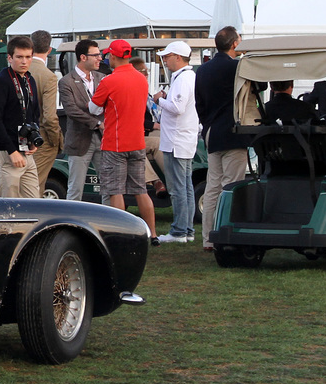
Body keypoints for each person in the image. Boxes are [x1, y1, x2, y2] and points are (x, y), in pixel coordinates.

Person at [194, 26, 252, 250]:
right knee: (231, 185)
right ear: (235, 44)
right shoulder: (237, 67)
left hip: (211, 132)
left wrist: (208, 124)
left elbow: (199, 104)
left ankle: (208, 238)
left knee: (213, 187)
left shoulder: (203, 70)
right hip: (233, 132)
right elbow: (259, 86)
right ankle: (227, 233)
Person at [91, 39, 158, 232]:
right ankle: (152, 233)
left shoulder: (109, 80)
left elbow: (93, 108)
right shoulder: (141, 79)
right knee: (141, 191)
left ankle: (119, 232)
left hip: (115, 143)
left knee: (115, 191)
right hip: (137, 142)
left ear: (112, 56)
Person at [152, 41, 198, 244]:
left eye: (167, 56)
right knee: (185, 187)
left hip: (176, 140)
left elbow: (177, 107)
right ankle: (186, 229)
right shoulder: (188, 76)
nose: (165, 60)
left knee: (178, 188)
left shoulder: (183, 79)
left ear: (178, 57)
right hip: (182, 139)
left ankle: (179, 231)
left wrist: (158, 100)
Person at [0, 36, 41, 197]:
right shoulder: (2, 81)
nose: (24, 61)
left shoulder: (29, 79)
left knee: (34, 202)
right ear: (10, 58)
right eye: (19, 57)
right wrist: (12, 151)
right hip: (5, 151)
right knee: (8, 205)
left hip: (25, 148)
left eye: (28, 57)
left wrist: (34, 139)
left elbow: (34, 113)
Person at [60, 40, 104, 201]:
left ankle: (109, 222)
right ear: (83, 57)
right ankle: (71, 223)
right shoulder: (67, 81)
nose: (100, 58)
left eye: (100, 54)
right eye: (96, 55)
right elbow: (71, 111)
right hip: (79, 140)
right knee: (75, 187)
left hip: (102, 140)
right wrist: (98, 124)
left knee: (107, 186)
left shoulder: (103, 78)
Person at [28, 30, 64, 186]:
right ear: (49, 50)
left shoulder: (17, 70)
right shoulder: (48, 76)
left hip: (17, 136)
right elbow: (49, 117)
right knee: (36, 185)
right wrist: (56, 140)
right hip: (41, 138)